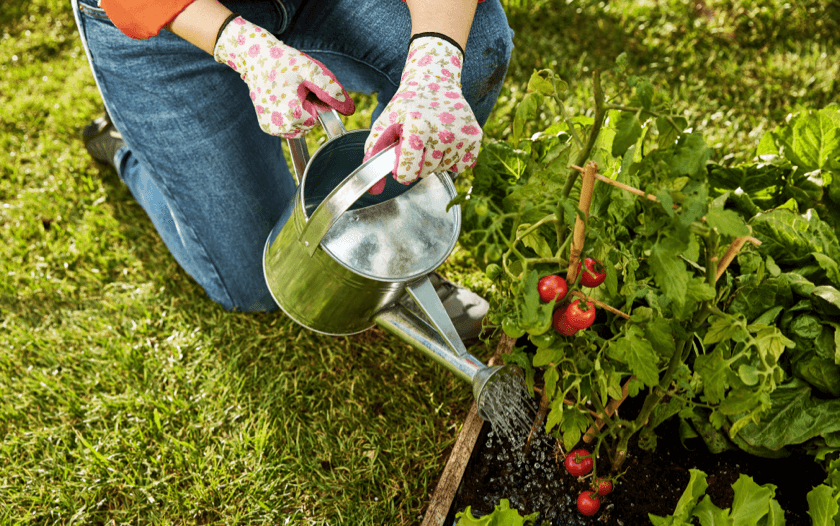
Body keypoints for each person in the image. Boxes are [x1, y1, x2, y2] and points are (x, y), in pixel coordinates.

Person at [72, 0, 514, 340]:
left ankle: (391, 259)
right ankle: (131, 147)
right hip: (173, 28)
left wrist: (435, 62)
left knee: (471, 51)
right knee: (258, 280)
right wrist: (246, 49)